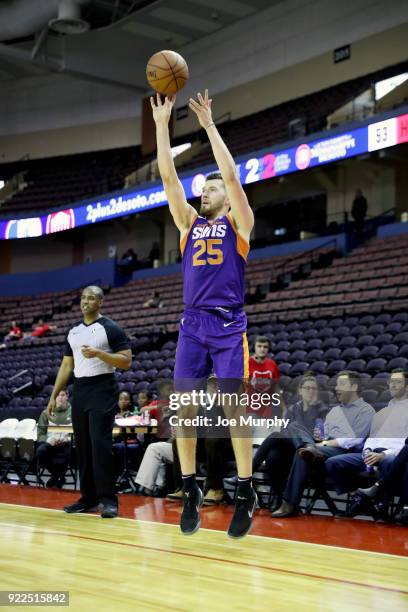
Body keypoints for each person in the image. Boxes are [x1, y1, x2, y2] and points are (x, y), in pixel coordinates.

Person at [151, 88, 255, 538]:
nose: (206, 190)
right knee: (184, 410)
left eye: (212, 187)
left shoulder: (239, 223)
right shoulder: (189, 225)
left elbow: (231, 175)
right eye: (205, 187)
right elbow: (169, 180)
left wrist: (210, 125)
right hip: (193, 324)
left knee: (234, 406)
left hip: (229, 323)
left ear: (226, 198)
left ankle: (247, 489)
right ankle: (190, 487)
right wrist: (161, 126)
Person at [47, 285, 131, 518]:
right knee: (83, 446)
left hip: (103, 387)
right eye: (83, 297)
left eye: (91, 298)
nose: (86, 301)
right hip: (80, 389)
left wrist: (100, 354)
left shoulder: (111, 328)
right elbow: (66, 365)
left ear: (100, 302)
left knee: (100, 444)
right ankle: (88, 498)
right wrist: (54, 395)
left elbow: (126, 361)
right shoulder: (73, 331)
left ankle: (108, 500)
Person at [271, 370, 375, 517]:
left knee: (302, 453)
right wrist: (319, 436)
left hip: (347, 452)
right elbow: (323, 434)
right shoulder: (335, 410)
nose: (336, 388)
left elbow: (353, 440)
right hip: (324, 448)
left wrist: (322, 444)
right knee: (295, 427)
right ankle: (309, 448)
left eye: (341, 384)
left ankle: (289, 504)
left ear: (354, 387)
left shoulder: (366, 410)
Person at [250, 373, 327, 511]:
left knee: (279, 440)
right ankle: (279, 496)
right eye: (307, 388)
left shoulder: (322, 409)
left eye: (314, 389)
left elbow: (319, 434)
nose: (311, 391)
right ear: (300, 390)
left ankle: (247, 474)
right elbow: (285, 432)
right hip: (291, 446)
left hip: (308, 452)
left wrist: (311, 408)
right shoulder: (293, 409)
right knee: (273, 453)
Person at [36, 389, 72, 488]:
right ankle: (57, 475)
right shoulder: (46, 412)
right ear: (54, 398)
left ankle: (58, 475)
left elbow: (78, 432)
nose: (60, 398)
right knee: (40, 451)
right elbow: (40, 433)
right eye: (58, 396)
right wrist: (49, 440)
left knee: (71, 452)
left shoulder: (74, 412)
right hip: (50, 443)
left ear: (67, 396)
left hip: (66, 443)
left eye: (63, 395)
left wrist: (67, 439)